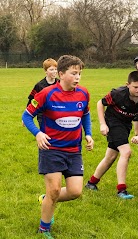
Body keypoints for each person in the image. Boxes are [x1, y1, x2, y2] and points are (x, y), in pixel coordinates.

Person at [22, 55, 94, 238]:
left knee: (75, 191)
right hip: (51, 149)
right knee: (54, 189)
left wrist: (88, 134)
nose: (78, 77)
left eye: (80, 73)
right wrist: (38, 133)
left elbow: (85, 114)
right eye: (74, 73)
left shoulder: (83, 93)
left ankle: (46, 200)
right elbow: (26, 116)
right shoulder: (46, 94)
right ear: (61, 74)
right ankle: (44, 228)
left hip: (73, 150)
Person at [85, 71, 138, 199]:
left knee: (111, 156)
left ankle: (91, 183)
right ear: (128, 85)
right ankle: (121, 190)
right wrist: (102, 124)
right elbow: (100, 103)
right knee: (126, 152)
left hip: (126, 124)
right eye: (135, 87)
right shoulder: (118, 93)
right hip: (113, 122)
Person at [24, 58, 58, 126]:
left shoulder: (60, 84)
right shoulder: (39, 86)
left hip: (57, 115)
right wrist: (27, 116)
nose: (54, 71)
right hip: (43, 117)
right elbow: (32, 100)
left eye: (55, 69)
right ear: (46, 71)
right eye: (51, 69)